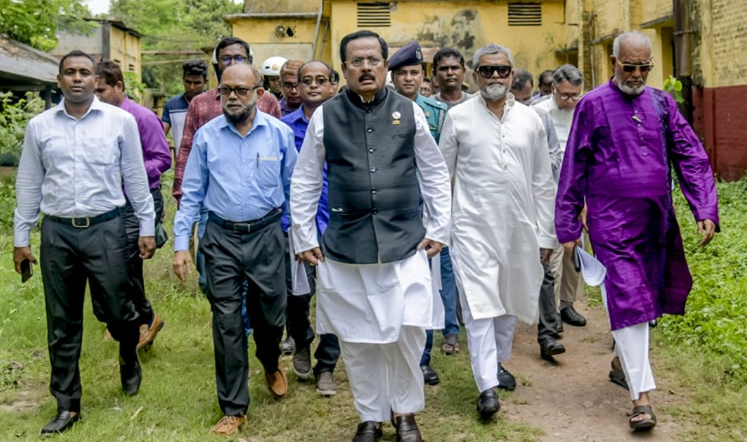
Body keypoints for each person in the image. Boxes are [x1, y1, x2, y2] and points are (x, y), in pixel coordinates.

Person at [291, 30, 451, 442]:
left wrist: (439, 228)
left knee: (409, 331)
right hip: (346, 247)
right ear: (344, 69)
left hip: (405, 243)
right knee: (357, 338)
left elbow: (434, 171)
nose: (366, 68)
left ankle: (405, 412)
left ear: (385, 66)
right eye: (356, 61)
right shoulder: (326, 115)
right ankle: (369, 416)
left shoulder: (409, 111)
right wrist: (304, 235)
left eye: (373, 60)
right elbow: (306, 178)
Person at [555, 31, 719, 431]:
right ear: (614, 63)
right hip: (611, 224)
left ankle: (620, 362)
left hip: (655, 222)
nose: (637, 74)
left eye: (645, 67)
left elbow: (690, 154)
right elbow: (574, 166)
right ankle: (641, 398)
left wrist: (704, 206)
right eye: (630, 66)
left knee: (644, 303)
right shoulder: (592, 105)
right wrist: (568, 224)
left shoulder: (661, 103)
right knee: (629, 299)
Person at [13, 50, 156, 435]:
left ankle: (128, 352)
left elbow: (135, 175)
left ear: (95, 79)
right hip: (58, 232)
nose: (77, 78)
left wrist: (146, 225)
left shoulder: (120, 121)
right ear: (59, 80)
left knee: (118, 310)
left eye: (84, 73)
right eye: (70, 72)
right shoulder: (40, 126)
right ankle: (67, 404)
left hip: (106, 228)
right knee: (62, 321)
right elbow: (29, 181)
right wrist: (21, 236)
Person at [173, 63, 297, 436]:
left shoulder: (278, 133)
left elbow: (292, 187)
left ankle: (270, 361)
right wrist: (181, 245)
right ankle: (233, 407)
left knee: (270, 317)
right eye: (226, 90)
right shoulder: (207, 137)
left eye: (241, 90)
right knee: (226, 321)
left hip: (267, 235)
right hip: (221, 238)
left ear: (259, 94)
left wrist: (295, 235)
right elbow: (192, 193)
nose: (232, 97)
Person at [439, 43, 555, 420]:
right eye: (486, 70)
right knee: (479, 306)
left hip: (520, 228)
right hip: (471, 227)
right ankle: (486, 387)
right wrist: (440, 227)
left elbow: (542, 180)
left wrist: (546, 233)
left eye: (501, 70)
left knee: (508, 302)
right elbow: (441, 177)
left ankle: (498, 362)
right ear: (475, 76)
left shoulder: (531, 120)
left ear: (511, 74)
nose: (494, 77)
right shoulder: (458, 117)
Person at [172, 36, 282, 297]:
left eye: (239, 58)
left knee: (259, 285)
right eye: (226, 58)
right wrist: (181, 196)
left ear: (249, 62)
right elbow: (186, 150)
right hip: (213, 202)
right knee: (213, 273)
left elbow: (278, 152)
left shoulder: (267, 102)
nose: (232, 62)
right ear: (217, 64)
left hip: (260, 206)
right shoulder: (200, 103)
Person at [389, 40, 457, 387]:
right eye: (402, 73)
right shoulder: (382, 109)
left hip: (427, 209)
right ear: (393, 77)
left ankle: (423, 357)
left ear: (423, 76)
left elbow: (443, 165)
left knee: (429, 285)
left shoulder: (438, 113)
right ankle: (394, 354)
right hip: (394, 208)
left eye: (415, 73)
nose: (409, 79)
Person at [94, 60, 172, 351]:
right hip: (107, 202)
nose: (96, 96)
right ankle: (128, 320)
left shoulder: (142, 117)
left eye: (101, 90)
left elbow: (163, 159)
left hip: (138, 200)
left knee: (124, 262)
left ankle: (145, 319)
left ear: (119, 86)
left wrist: (128, 172)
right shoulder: (95, 118)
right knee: (111, 262)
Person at [280, 60, 341, 396]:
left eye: (321, 80)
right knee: (296, 294)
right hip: (296, 224)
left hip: (338, 224)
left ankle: (327, 365)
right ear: (296, 87)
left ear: (333, 86)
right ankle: (301, 339)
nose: (314, 85)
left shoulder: (344, 124)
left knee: (336, 296)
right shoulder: (282, 129)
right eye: (307, 80)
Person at [509, 69, 566, 360]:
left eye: (527, 98)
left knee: (543, 265)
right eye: (518, 99)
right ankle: (500, 334)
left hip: (535, 201)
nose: (524, 104)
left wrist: (536, 167)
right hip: (503, 207)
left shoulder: (539, 117)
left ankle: (548, 333)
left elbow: (554, 154)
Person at [533, 64, 588, 328]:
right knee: (552, 252)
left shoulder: (584, 110)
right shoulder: (539, 113)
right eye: (565, 94)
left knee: (575, 251)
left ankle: (567, 304)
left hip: (578, 192)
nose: (570, 100)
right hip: (549, 191)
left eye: (575, 94)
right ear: (553, 89)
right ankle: (551, 313)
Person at [162, 59, 208, 156]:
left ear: (205, 82)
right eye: (188, 82)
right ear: (183, 80)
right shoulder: (172, 105)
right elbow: (160, 135)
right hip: (183, 162)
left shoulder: (213, 105)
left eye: (197, 83)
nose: (191, 87)